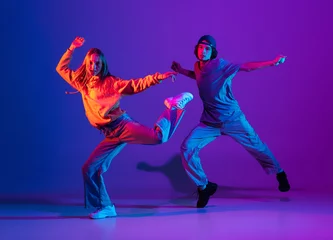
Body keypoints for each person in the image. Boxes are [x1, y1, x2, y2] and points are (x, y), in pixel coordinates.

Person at [56, 36, 194, 219]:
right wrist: (72, 47)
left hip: (122, 125)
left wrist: (158, 77)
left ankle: (174, 107)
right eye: (90, 63)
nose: (93, 66)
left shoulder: (111, 82)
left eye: (97, 63)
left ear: (102, 65)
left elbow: (134, 85)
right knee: (89, 169)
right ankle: (106, 207)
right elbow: (61, 68)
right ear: (86, 63)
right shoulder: (81, 83)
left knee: (158, 137)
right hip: (110, 134)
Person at [171, 35, 290, 208]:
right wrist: (182, 70)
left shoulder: (220, 65)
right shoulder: (198, 66)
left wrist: (272, 62)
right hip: (210, 123)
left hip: (232, 119)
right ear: (196, 49)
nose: (203, 51)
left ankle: (279, 172)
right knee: (187, 147)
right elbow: (198, 76)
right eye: (200, 47)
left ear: (212, 51)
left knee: (257, 147)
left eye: (207, 48)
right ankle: (204, 187)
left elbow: (246, 67)